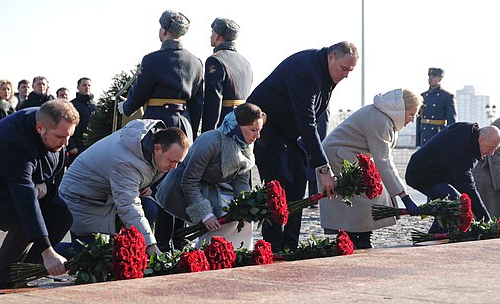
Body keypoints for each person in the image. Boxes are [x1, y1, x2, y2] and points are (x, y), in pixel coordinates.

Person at [247, 41, 359, 252]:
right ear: (332, 56)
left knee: (298, 182)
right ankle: (273, 246)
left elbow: (315, 118)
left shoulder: (326, 70)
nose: (346, 75)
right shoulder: (307, 71)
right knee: (278, 186)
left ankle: (290, 245)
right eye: (344, 69)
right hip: (267, 132)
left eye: (350, 71)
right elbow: (307, 122)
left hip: (288, 135)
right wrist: (323, 169)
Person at [117, 10, 204, 251]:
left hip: (158, 123)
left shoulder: (152, 59)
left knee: (155, 182)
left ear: (164, 31)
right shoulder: (196, 62)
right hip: (184, 123)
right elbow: (198, 102)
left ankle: (159, 241)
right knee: (177, 180)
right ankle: (178, 238)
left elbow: (139, 94)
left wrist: (126, 105)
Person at [58, 119, 190, 256]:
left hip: (104, 198)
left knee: (149, 208)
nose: (174, 167)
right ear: (157, 148)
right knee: (89, 256)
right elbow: (128, 205)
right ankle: (43, 253)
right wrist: (150, 246)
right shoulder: (127, 161)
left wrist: (141, 186)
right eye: (172, 161)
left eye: (178, 162)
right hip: (81, 199)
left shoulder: (149, 149)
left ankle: (130, 251)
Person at [0, 100, 79, 287]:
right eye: (61, 137)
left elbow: (54, 170)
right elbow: (23, 196)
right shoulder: (14, 141)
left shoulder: (51, 127)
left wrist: (45, 183)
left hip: (16, 184)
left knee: (61, 217)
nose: (65, 143)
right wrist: (47, 250)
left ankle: (20, 271)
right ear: (40, 128)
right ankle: (1, 277)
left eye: (69, 136)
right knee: (23, 220)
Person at [318, 89, 423, 249]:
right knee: (366, 196)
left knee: (368, 196)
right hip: (338, 157)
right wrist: (404, 196)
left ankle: (361, 236)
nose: (412, 120)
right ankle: (357, 237)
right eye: (411, 114)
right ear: (401, 109)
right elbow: (384, 161)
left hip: (348, 156)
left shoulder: (385, 117)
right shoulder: (381, 120)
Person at [156, 103, 265, 249]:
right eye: (253, 130)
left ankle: (234, 252)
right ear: (238, 126)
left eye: (259, 130)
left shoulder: (244, 144)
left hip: (206, 188)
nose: (257, 136)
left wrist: (246, 208)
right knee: (167, 241)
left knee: (238, 219)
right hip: (179, 189)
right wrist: (205, 214)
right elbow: (189, 182)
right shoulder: (210, 142)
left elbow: (241, 182)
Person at [405, 122, 500, 233]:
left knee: (451, 204)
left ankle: (441, 236)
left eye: (495, 149)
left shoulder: (468, 134)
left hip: (438, 173)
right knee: (454, 203)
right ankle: (433, 238)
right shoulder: (462, 148)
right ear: (481, 139)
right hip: (421, 174)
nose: (492, 153)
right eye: (491, 148)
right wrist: (484, 218)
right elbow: (467, 187)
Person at [201, 18, 253, 132]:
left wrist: (207, 132)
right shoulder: (245, 62)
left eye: (212, 32)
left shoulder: (215, 60)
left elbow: (213, 101)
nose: (210, 36)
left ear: (218, 36)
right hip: (243, 123)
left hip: (224, 125)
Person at [415, 68, 457, 146]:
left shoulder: (447, 97)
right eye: (429, 76)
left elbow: (451, 122)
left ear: (440, 79)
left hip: (438, 135)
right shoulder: (422, 96)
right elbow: (419, 120)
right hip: (424, 136)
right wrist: (418, 142)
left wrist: (450, 141)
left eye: (434, 76)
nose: (430, 78)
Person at [68, 77, 97, 163]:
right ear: (78, 87)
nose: (87, 87)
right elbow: (67, 125)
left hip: (92, 145)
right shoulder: (71, 105)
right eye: (84, 85)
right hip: (77, 145)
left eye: (89, 85)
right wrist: (71, 145)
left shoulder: (95, 106)